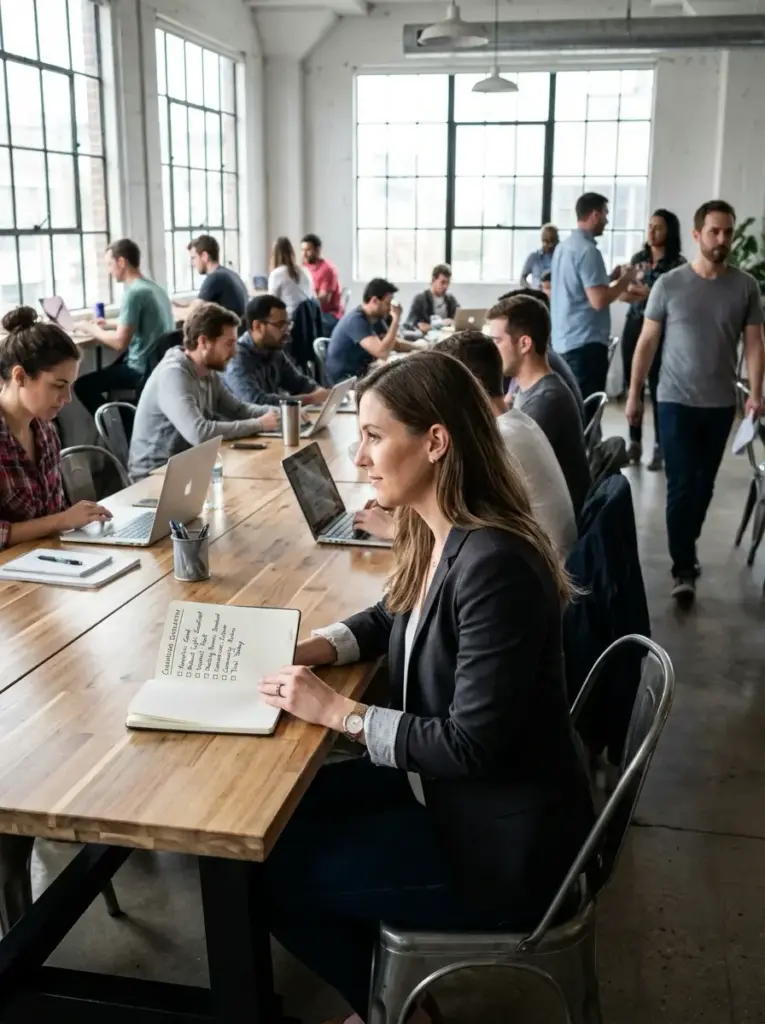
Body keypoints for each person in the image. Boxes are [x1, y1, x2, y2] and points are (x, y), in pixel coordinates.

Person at [257, 351, 594, 1024]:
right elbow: (392, 612)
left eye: (374, 436)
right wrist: (317, 646)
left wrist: (341, 714)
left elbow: (470, 746)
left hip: (502, 847)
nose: (358, 458)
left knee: (272, 875)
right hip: (449, 796)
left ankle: (394, 1011)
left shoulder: (493, 563)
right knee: (269, 831)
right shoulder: (438, 531)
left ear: (435, 441)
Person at [626, 199, 765, 604]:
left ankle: (686, 542)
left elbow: (755, 344)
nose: (722, 239)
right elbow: (647, 342)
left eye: (728, 232)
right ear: (696, 234)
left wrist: (756, 393)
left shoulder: (745, 287)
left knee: (704, 485)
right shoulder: (669, 285)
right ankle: (682, 566)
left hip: (721, 404)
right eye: (715, 231)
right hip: (674, 401)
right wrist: (634, 394)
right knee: (682, 484)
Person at [355, 329, 577, 559]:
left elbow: (463, 534)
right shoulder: (517, 422)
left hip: (546, 569)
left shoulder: (497, 442)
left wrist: (393, 529)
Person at [0, 306, 112, 549]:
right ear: (19, 377)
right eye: (58, 385)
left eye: (70, 385)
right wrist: (61, 520)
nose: (68, 397)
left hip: (44, 562)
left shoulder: (46, 432)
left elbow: (53, 515)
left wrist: (67, 521)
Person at [128, 302, 280, 480]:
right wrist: (259, 424)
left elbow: (239, 410)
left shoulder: (208, 372)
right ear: (203, 342)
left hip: (188, 467)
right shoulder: (173, 373)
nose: (234, 352)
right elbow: (199, 433)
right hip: (153, 477)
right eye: (229, 344)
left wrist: (281, 413)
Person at [488, 294, 591, 516]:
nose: (490, 351)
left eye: (496, 341)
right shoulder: (531, 388)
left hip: (546, 534)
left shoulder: (546, 401)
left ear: (525, 344)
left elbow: (499, 475)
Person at [550, 193, 637, 407]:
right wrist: (626, 279)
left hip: (564, 341)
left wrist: (609, 278)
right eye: (606, 214)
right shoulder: (589, 251)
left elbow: (577, 289)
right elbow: (598, 300)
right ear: (595, 215)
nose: (607, 221)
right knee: (587, 411)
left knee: (572, 408)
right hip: (585, 345)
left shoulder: (564, 248)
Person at [75, 238, 175, 416]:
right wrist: (108, 324)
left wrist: (91, 329)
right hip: (158, 365)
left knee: (82, 385)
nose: (109, 271)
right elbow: (142, 321)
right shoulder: (155, 288)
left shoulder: (133, 294)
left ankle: (117, 426)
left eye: (109, 264)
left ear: (121, 261)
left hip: (140, 369)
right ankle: (122, 421)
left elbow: (120, 343)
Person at [620, 209, 685, 470]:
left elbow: (673, 301)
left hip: (662, 331)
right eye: (649, 226)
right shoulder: (638, 259)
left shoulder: (677, 264)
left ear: (669, 231)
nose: (652, 231)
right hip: (634, 324)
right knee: (632, 384)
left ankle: (660, 446)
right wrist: (643, 293)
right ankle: (634, 442)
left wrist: (643, 292)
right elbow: (623, 294)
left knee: (659, 388)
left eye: (658, 227)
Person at [224, 295, 330, 408]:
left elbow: (299, 383)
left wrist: (319, 391)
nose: (287, 332)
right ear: (258, 326)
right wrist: (310, 399)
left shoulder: (274, 350)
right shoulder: (236, 357)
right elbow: (255, 401)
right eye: (280, 325)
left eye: (288, 324)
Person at [499, 287, 585, 423]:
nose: (493, 348)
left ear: (524, 343)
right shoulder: (540, 363)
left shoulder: (544, 399)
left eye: (498, 340)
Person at [326, 278, 416, 385]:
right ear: (374, 301)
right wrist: (396, 319)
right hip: (345, 380)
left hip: (363, 372)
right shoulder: (356, 320)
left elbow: (393, 343)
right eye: (388, 303)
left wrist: (420, 347)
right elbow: (382, 352)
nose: (390, 308)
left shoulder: (376, 318)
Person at [186, 234, 248, 319]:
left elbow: (191, 314)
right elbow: (198, 305)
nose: (193, 264)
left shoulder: (215, 277)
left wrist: (171, 309)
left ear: (204, 256)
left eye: (193, 258)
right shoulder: (229, 274)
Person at [301, 233, 344, 332]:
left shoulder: (328, 269)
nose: (304, 254)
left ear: (318, 250)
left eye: (308, 250)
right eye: (302, 250)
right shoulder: (304, 267)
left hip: (328, 314)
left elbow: (324, 300)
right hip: (313, 311)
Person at [267, 237, 315, 320]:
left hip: (289, 323)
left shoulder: (277, 273)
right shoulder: (305, 271)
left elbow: (271, 303)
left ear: (274, 255)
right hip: (309, 322)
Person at [405, 263, 460, 333]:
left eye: (448, 283)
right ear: (433, 280)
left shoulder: (450, 299)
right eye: (442, 282)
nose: (446, 286)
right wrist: (441, 324)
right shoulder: (420, 299)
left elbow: (459, 318)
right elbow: (411, 324)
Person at [520, 224, 559, 288]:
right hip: (537, 295)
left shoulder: (563, 258)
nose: (550, 245)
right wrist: (530, 289)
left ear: (557, 240)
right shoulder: (533, 257)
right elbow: (522, 279)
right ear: (542, 240)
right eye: (547, 241)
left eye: (552, 241)